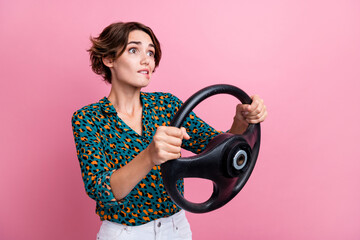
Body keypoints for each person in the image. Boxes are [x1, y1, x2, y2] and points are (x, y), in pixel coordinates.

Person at [71, 21, 268, 240]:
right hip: (124, 233)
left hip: (176, 230)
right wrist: (149, 156)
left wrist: (240, 122)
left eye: (151, 52)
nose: (147, 60)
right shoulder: (88, 118)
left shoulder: (167, 105)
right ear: (109, 59)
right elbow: (102, 190)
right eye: (134, 50)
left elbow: (214, 147)